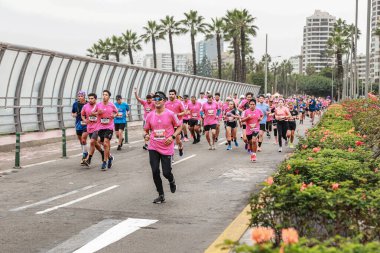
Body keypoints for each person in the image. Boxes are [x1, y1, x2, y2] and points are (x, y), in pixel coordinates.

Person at [144, 91, 182, 204]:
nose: (156, 101)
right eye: (155, 99)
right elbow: (145, 129)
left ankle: (171, 179)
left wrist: (173, 137)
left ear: (164, 101)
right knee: (155, 171)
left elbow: (179, 127)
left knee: (166, 173)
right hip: (153, 146)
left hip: (166, 147)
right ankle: (161, 195)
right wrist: (146, 135)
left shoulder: (170, 114)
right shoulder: (150, 115)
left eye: (159, 99)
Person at [92, 90, 118, 170]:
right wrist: (97, 113)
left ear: (109, 97)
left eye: (106, 95)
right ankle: (110, 157)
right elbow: (92, 112)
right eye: (103, 94)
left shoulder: (112, 105)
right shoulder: (98, 105)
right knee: (100, 142)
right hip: (100, 127)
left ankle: (104, 162)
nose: (104, 96)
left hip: (109, 127)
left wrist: (114, 115)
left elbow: (116, 112)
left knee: (106, 144)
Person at [81, 93, 104, 166]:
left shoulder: (99, 106)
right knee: (95, 143)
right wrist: (84, 120)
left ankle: (88, 159)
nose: (90, 100)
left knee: (92, 142)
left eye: (92, 98)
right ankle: (103, 152)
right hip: (89, 127)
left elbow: (102, 113)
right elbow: (82, 114)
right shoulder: (85, 106)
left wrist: (97, 113)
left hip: (97, 127)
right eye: (89, 98)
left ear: (95, 99)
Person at [165, 89, 185, 156]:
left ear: (175, 95)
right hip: (169, 124)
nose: (171, 95)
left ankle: (181, 146)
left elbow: (184, 111)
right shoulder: (166, 103)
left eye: (172, 94)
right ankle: (171, 155)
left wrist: (178, 114)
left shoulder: (179, 102)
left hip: (178, 123)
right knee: (170, 140)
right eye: (170, 94)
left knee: (177, 140)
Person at [71, 91, 88, 164]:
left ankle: (84, 155)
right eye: (79, 96)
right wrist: (74, 114)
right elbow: (72, 113)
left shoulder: (88, 104)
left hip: (86, 123)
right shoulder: (75, 104)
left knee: (83, 139)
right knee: (81, 140)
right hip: (78, 123)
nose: (80, 97)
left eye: (81, 96)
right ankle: (85, 152)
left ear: (84, 96)